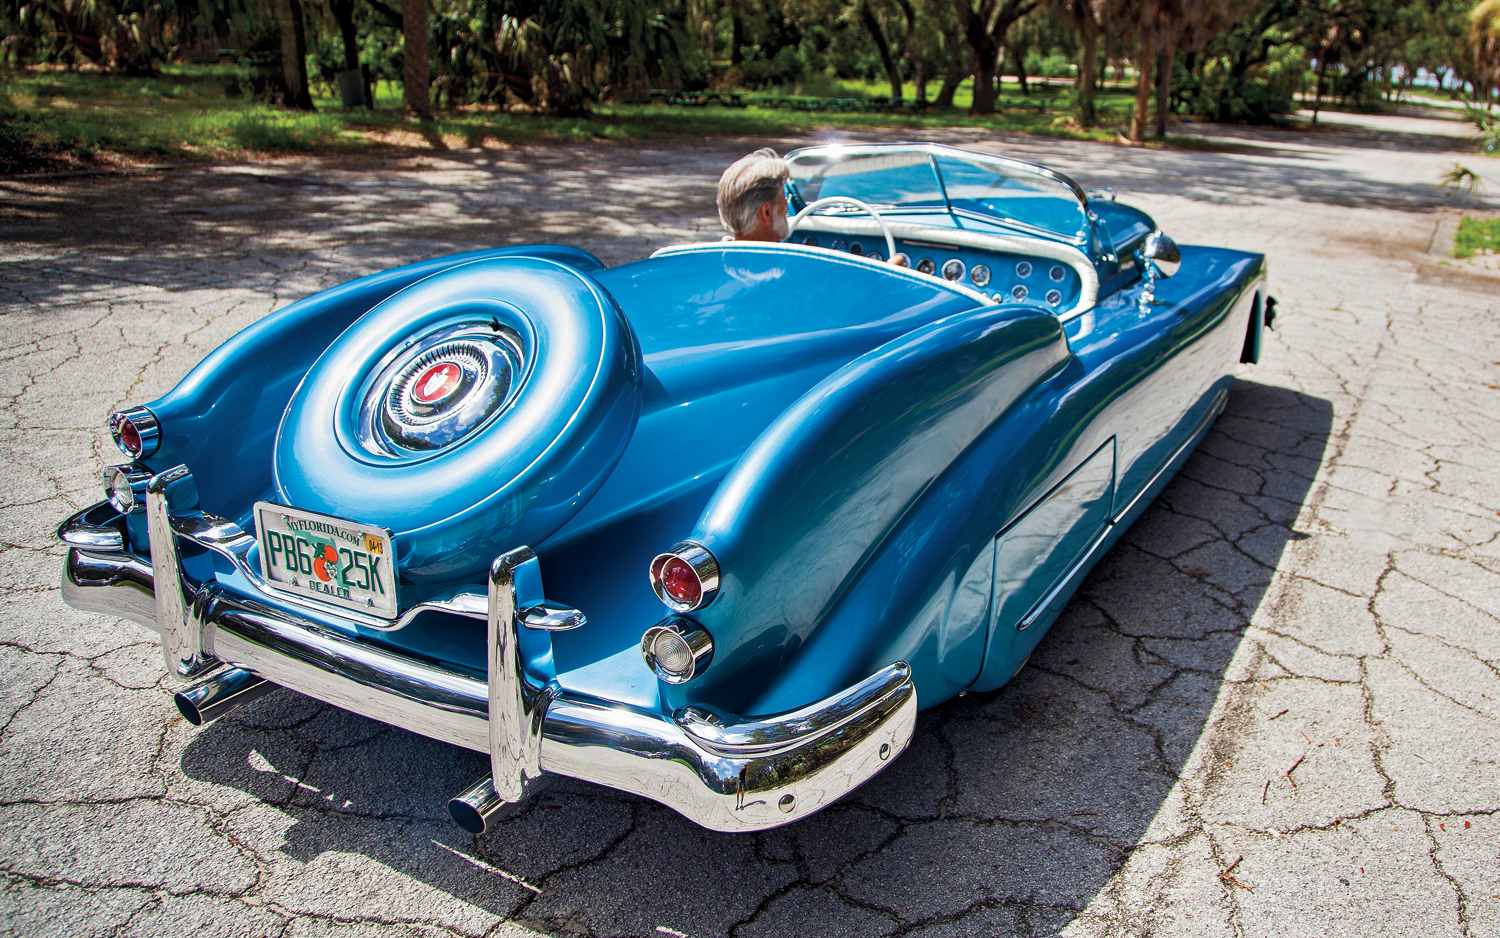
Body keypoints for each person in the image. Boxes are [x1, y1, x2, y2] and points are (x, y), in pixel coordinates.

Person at [716, 147, 790, 242]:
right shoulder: (791, 256)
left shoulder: (714, 254)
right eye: (784, 200)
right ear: (766, 212)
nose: (787, 205)